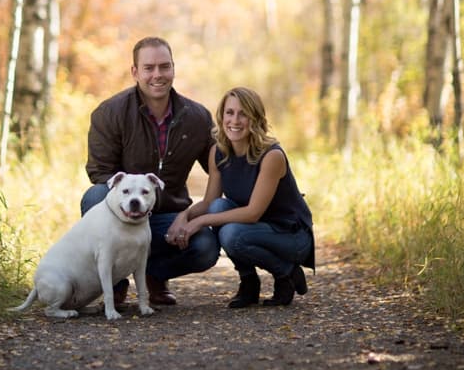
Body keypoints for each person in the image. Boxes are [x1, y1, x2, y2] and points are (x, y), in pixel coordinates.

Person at [82, 36, 220, 308]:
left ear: (173, 69)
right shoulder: (109, 113)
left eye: (164, 66)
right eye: (149, 68)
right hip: (123, 214)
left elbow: (221, 166)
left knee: (206, 246)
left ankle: (154, 275)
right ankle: (116, 281)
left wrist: (189, 216)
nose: (157, 75)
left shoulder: (197, 117)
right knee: (94, 196)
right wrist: (134, 207)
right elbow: (100, 172)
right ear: (135, 72)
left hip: (168, 216)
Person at [167, 86, 315, 308]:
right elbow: (209, 203)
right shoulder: (218, 152)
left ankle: (286, 273)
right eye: (229, 112)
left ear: (254, 118)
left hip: (290, 235)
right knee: (218, 207)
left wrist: (199, 222)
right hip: (257, 231)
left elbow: (253, 212)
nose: (235, 120)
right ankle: (249, 282)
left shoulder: (271, 156)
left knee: (232, 234)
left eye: (243, 113)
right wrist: (184, 215)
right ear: (222, 115)